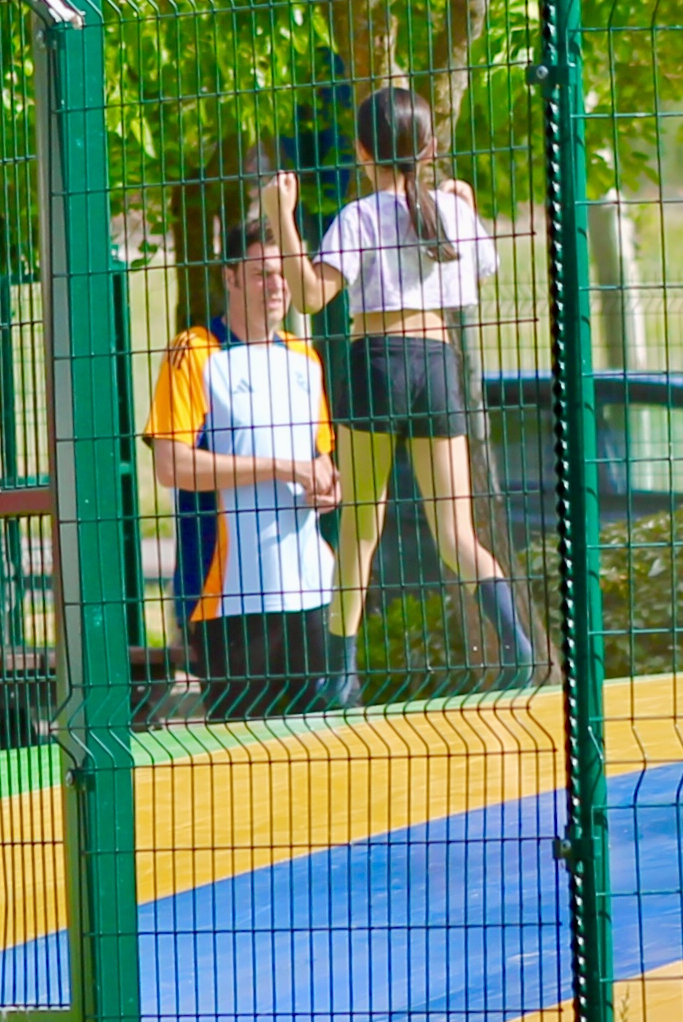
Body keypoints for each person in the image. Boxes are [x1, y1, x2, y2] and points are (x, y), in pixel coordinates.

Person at [258, 86, 535, 703]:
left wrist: (282, 215)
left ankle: (341, 677)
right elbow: (483, 268)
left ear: (362, 152)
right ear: (429, 148)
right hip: (439, 364)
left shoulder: (359, 215)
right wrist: (464, 201)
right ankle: (519, 647)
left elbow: (308, 296)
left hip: (378, 363)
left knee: (360, 525)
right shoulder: (452, 209)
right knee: (457, 532)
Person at [142, 218, 345, 720]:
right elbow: (172, 467)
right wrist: (279, 466)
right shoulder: (193, 353)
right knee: (239, 764)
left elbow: (319, 457)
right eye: (260, 275)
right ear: (229, 277)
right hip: (228, 599)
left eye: (281, 274)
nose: (276, 286)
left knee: (324, 752)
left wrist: (327, 485)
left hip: (311, 594)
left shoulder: (305, 357)